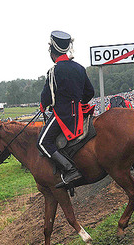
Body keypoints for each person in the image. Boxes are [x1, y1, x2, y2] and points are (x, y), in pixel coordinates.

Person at [37, 30, 94, 188]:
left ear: (52, 51)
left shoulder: (54, 71)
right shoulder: (80, 68)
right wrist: (77, 103)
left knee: (42, 142)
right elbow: (90, 92)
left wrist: (43, 107)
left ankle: (70, 169)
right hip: (79, 111)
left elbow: (46, 97)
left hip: (62, 114)